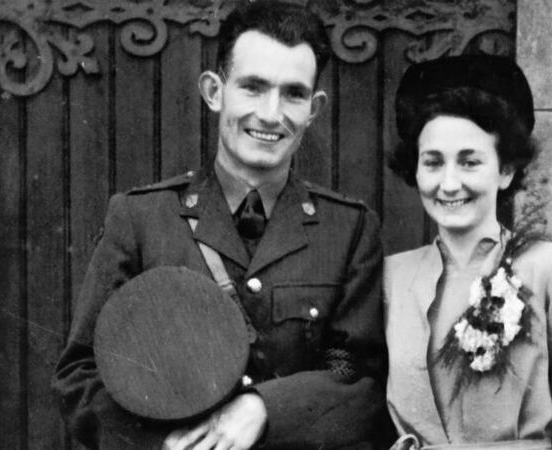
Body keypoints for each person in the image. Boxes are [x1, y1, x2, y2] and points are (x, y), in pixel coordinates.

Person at [53, 2, 387, 449]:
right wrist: (162, 445)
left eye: (293, 93)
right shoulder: (141, 219)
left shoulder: (348, 231)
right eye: (252, 87)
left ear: (315, 108)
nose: (271, 113)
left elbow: (360, 379)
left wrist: (265, 409)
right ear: (214, 91)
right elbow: (81, 375)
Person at [383, 55, 552, 449]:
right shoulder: (391, 276)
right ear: (413, 171)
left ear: (504, 170)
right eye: (432, 163)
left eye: (470, 162)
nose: (449, 184)